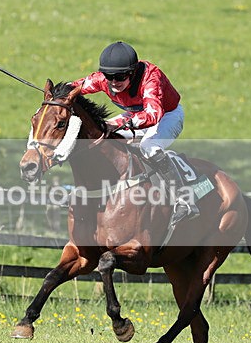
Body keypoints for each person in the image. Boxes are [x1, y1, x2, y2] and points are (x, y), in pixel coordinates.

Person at [72, 41, 198, 222]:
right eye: (109, 76)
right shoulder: (103, 79)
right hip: (136, 115)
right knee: (101, 135)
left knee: (150, 147)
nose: (114, 82)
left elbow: (153, 115)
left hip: (167, 116)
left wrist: (124, 124)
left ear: (132, 72)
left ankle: (184, 199)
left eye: (120, 76)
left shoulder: (150, 78)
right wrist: (57, 95)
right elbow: (75, 87)